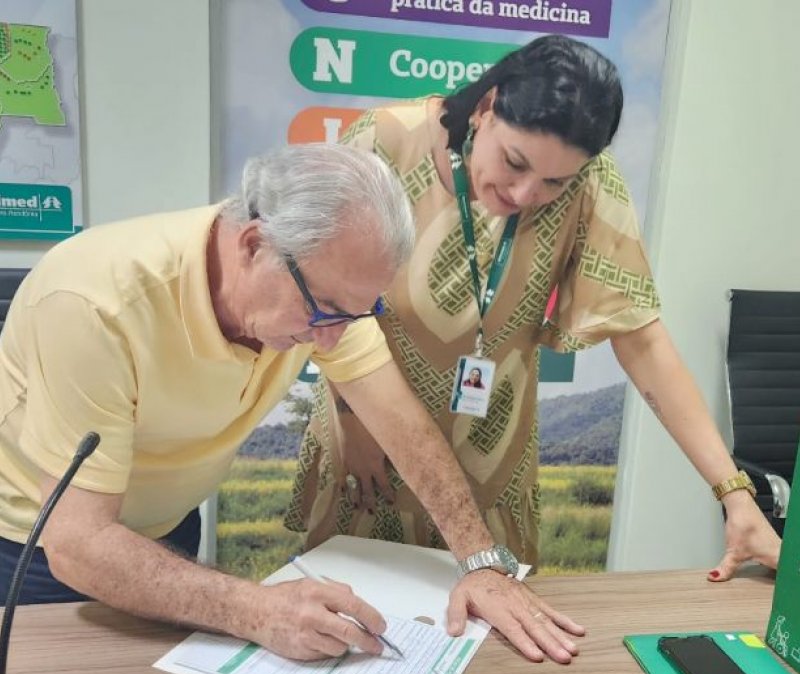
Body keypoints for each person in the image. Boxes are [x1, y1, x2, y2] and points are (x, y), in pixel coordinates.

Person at [0, 144, 584, 665]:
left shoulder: (324, 286)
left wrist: (480, 561)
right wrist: (256, 609)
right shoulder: (93, 304)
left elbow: (403, 425)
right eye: (322, 310)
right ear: (254, 245)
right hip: (34, 554)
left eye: (355, 314)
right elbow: (78, 543)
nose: (328, 341)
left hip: (164, 531)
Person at [289, 36, 780, 582]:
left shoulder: (590, 181)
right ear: (486, 107)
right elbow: (323, 294)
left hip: (489, 459)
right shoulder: (383, 143)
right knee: (354, 609)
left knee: (493, 618)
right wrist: (352, 417)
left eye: (553, 182)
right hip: (370, 444)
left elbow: (640, 337)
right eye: (514, 162)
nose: (525, 195)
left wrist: (734, 494)